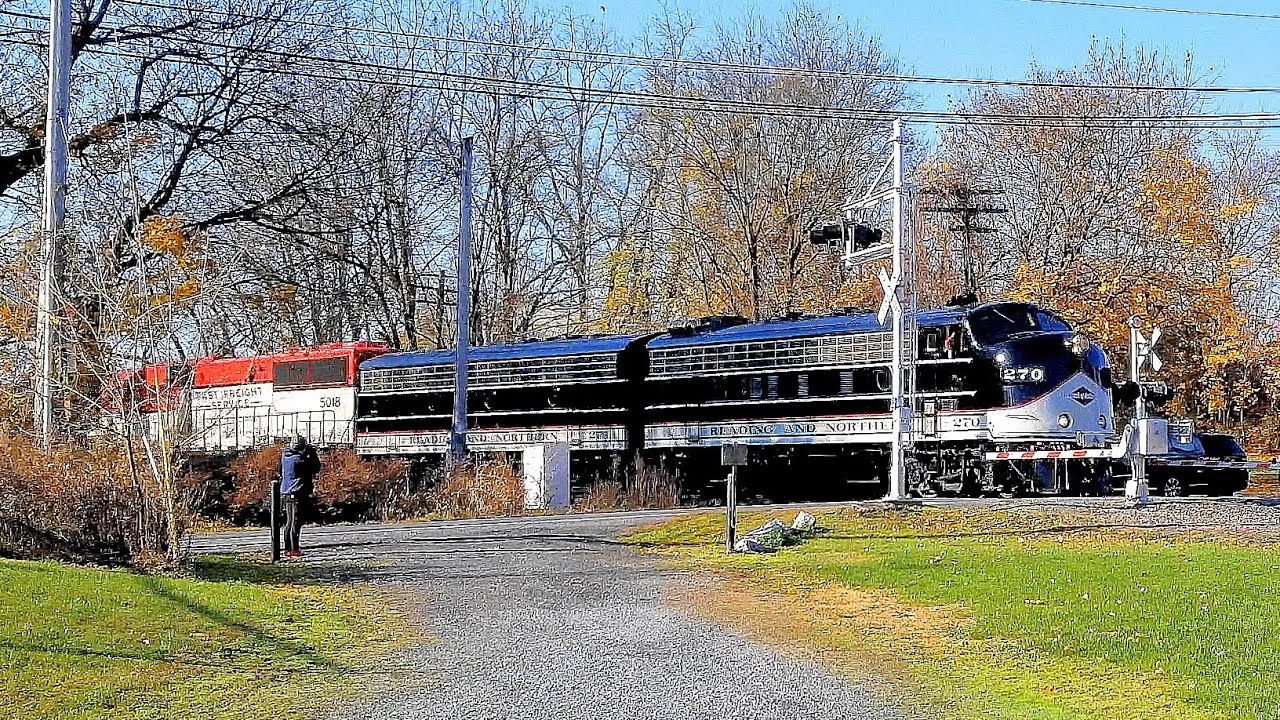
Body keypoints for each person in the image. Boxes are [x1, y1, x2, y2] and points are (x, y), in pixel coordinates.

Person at [280, 436, 320, 557]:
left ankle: (287, 548)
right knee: (296, 522)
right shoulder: (299, 460)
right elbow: (315, 468)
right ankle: (294, 549)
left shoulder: (285, 456)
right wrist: (312, 454)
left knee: (289, 522)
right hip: (297, 492)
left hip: (286, 492)